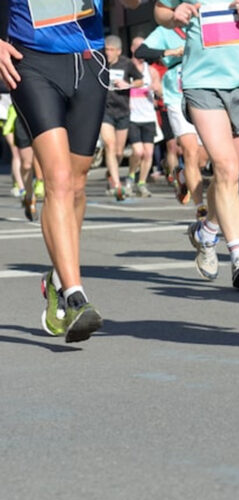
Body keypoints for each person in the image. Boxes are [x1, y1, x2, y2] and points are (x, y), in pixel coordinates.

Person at [0, 0, 141, 342]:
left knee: (76, 184)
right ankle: (75, 295)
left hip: (89, 63)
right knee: (59, 180)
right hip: (31, 61)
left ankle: (58, 280)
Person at [154, 0, 239, 289]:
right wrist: (174, 15)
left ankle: (207, 231)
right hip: (202, 84)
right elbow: (160, 12)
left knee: (230, 175)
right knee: (225, 167)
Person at [136, 24, 209, 219]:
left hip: (205, 90)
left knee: (202, 159)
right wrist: (171, 51)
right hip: (176, 93)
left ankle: (183, 175)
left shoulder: (204, 22)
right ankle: (201, 207)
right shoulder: (165, 31)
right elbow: (141, 51)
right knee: (190, 150)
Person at [101, 35, 143, 201]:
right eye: (106, 49)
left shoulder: (126, 64)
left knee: (118, 151)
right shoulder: (100, 64)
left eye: (111, 50)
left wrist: (128, 85)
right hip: (105, 110)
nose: (108, 53)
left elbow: (140, 80)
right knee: (109, 145)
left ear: (118, 51)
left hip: (123, 110)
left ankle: (111, 173)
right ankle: (117, 185)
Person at [127, 36, 162, 198]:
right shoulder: (126, 67)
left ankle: (141, 183)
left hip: (148, 116)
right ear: (132, 49)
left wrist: (157, 89)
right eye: (138, 47)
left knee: (148, 153)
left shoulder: (151, 70)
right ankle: (130, 176)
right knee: (138, 151)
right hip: (132, 116)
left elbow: (161, 93)